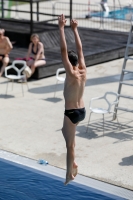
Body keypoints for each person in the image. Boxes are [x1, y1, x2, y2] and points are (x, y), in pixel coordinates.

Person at [58, 14, 87, 185]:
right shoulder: (83, 69)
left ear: (69, 62)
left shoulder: (70, 73)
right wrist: (75, 30)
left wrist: (61, 28)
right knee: (67, 135)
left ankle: (69, 174)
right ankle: (73, 162)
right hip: (81, 111)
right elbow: (80, 50)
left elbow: (63, 50)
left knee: (69, 145)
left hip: (71, 112)